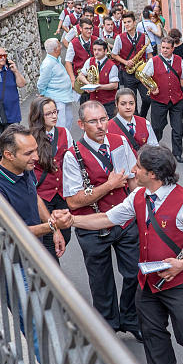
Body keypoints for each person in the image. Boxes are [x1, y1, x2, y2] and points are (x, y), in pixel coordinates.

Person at [71, 144, 183, 364]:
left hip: (177, 281)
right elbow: (107, 218)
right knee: (151, 331)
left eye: (138, 167)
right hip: (148, 281)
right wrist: (72, 219)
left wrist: (181, 264)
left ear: (153, 175)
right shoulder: (138, 196)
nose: (133, 170)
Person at [62, 101, 141, 341]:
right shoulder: (72, 155)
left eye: (103, 119)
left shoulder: (120, 141)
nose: (100, 126)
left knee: (134, 273)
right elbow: (73, 202)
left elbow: (133, 180)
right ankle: (108, 327)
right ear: (81, 124)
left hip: (125, 220)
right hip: (92, 224)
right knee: (101, 280)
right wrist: (109, 185)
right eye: (93, 121)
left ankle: (130, 318)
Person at [0, 124, 71, 255]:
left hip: (34, 251)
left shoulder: (24, 167)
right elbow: (13, 231)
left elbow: (35, 197)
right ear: (9, 155)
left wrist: (55, 230)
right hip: (15, 261)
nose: (36, 157)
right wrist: (52, 226)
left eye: (36, 150)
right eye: (28, 153)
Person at [29, 96, 75, 261]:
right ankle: (52, 274)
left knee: (66, 233)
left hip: (62, 193)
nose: (54, 116)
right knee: (49, 236)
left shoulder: (64, 132)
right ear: (39, 116)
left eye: (55, 112)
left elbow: (71, 161)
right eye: (49, 114)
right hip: (42, 196)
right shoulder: (30, 137)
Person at [142, 37, 183, 163]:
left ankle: (177, 154)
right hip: (159, 100)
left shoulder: (179, 60)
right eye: (162, 47)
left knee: (178, 128)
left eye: (167, 48)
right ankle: (153, 152)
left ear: (173, 49)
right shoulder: (154, 61)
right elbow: (144, 77)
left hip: (176, 100)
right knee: (157, 128)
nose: (164, 50)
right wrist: (151, 88)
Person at [111, 11, 153, 118]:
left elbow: (149, 55)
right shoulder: (120, 38)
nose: (127, 25)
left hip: (142, 73)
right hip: (128, 74)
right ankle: (135, 118)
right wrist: (125, 62)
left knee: (147, 99)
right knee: (130, 100)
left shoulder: (144, 36)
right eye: (125, 23)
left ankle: (142, 117)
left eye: (129, 22)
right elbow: (114, 54)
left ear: (134, 23)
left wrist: (150, 69)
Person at [37, 38, 77, 129]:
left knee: (68, 121)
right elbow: (41, 84)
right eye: (59, 45)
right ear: (55, 50)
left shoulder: (56, 60)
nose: (61, 46)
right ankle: (61, 142)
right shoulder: (48, 64)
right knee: (60, 125)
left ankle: (67, 141)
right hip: (57, 99)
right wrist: (43, 94)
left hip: (65, 97)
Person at [106, 87, 157, 155]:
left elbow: (154, 148)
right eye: (123, 104)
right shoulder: (108, 127)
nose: (128, 107)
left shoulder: (145, 123)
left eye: (131, 103)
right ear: (116, 104)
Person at [77, 40, 119, 118]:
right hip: (93, 101)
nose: (96, 52)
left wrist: (99, 86)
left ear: (105, 51)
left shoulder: (112, 66)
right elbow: (81, 75)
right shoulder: (89, 61)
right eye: (94, 50)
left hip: (108, 103)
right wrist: (88, 84)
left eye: (99, 50)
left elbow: (114, 85)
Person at [64, 17, 98, 105]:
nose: (89, 31)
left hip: (96, 79)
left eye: (91, 28)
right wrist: (72, 80)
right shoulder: (73, 43)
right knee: (85, 106)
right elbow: (68, 62)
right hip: (81, 80)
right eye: (86, 28)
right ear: (80, 28)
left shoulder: (96, 40)